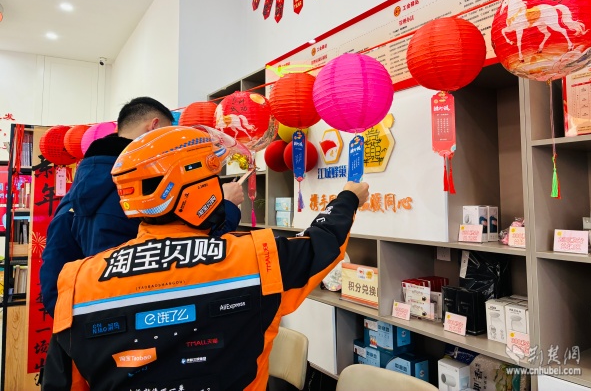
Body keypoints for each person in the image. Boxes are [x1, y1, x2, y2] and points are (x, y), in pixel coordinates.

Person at [42, 125, 369, 391]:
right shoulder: (256, 256)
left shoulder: (77, 281)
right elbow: (322, 242)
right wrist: (348, 198)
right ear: (196, 190)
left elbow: (62, 382)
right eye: (213, 178)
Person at [40, 97, 244, 317]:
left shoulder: (73, 197)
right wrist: (227, 207)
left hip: (99, 328)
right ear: (153, 127)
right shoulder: (150, 194)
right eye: (167, 132)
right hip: (160, 322)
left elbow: (54, 289)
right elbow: (190, 257)